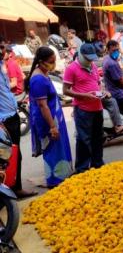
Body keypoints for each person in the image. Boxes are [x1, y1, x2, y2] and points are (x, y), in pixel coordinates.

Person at [26, 47, 73, 187]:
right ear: (41, 62)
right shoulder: (38, 79)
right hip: (48, 122)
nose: (53, 64)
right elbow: (42, 106)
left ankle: (62, 176)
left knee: (59, 147)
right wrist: (52, 126)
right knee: (53, 149)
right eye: (50, 62)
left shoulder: (44, 73)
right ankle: (55, 180)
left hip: (54, 118)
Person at [0, 43, 37, 198]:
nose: (2, 51)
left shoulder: (2, 64)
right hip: (3, 119)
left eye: (2, 47)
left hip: (11, 114)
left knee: (15, 155)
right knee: (6, 156)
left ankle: (15, 187)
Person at [63, 43, 104, 173]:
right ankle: (82, 168)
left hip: (98, 107)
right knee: (83, 139)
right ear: (81, 55)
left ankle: (97, 164)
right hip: (83, 110)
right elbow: (66, 90)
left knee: (98, 138)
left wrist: (103, 92)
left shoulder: (92, 66)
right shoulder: (71, 69)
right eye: (88, 58)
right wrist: (84, 95)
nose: (90, 61)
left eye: (92, 58)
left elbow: (98, 84)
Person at [103, 40, 123, 119]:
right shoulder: (112, 63)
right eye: (113, 50)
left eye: (117, 50)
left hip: (110, 90)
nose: (116, 52)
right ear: (108, 50)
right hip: (118, 94)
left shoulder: (107, 59)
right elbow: (122, 81)